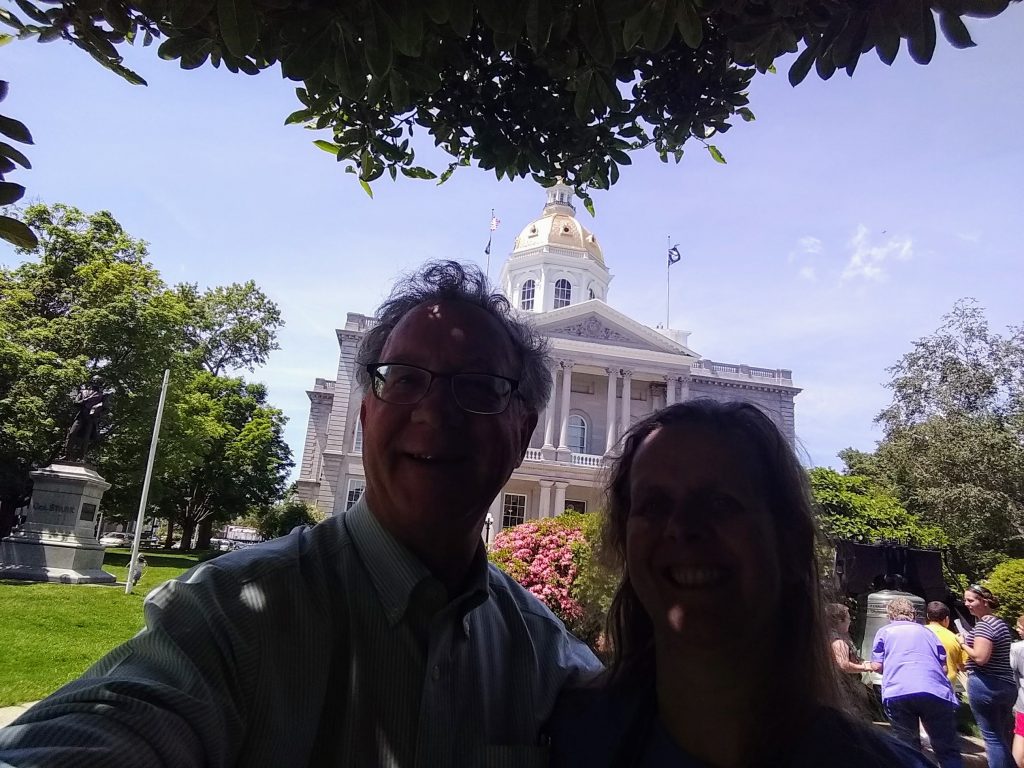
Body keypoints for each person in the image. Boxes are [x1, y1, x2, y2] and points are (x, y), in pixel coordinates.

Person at [0, 261, 601, 767]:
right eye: (406, 380)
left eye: (476, 387)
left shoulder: (543, 657)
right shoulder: (229, 617)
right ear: (366, 415)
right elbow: (110, 725)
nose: (434, 414)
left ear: (523, 433)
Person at [546, 400, 931, 767]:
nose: (681, 528)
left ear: (791, 542)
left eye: (720, 503)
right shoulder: (562, 735)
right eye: (653, 505)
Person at [870, 596, 962, 768]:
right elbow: (943, 668)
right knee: (947, 750)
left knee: (908, 750)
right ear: (913, 614)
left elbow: (877, 666)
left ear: (890, 614)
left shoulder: (884, 632)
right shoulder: (928, 632)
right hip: (935, 691)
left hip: (898, 692)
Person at [960, 584, 1015, 768]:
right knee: (1001, 738)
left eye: (970, 600)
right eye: (965, 600)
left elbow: (980, 657)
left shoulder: (984, 625)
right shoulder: (1000, 623)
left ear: (984, 601)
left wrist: (963, 643)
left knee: (992, 739)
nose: (966, 604)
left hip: (986, 684)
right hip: (1006, 685)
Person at [827, 602, 876, 714]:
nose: (850, 621)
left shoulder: (827, 635)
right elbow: (843, 665)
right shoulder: (838, 641)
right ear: (840, 620)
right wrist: (865, 667)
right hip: (845, 689)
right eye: (848, 618)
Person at [927, 601, 968, 687]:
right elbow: (963, 667)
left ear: (927, 616)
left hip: (924, 682)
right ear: (946, 619)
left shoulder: (919, 633)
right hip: (946, 686)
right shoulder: (955, 638)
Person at [1008, 615, 1024, 768]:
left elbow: (1013, 677)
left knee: (1020, 737)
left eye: (1020, 627)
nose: (1017, 630)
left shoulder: (1016, 649)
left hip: (1023, 703)